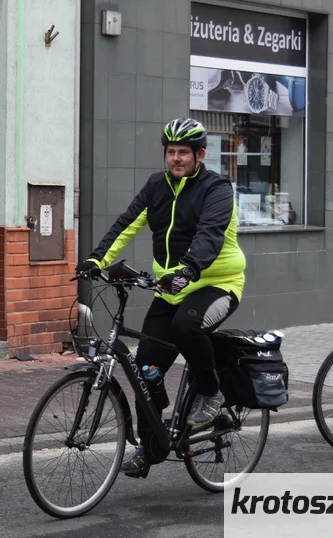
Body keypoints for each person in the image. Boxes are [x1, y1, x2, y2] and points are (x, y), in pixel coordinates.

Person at [76, 118, 247, 477]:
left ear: (200, 155)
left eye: (183, 152)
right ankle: (150, 447)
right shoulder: (157, 186)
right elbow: (126, 223)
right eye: (170, 151)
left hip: (216, 284)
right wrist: (97, 259)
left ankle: (211, 392)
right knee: (145, 371)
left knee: (187, 328)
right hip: (170, 291)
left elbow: (209, 236)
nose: (176, 158)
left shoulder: (216, 189)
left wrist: (187, 270)